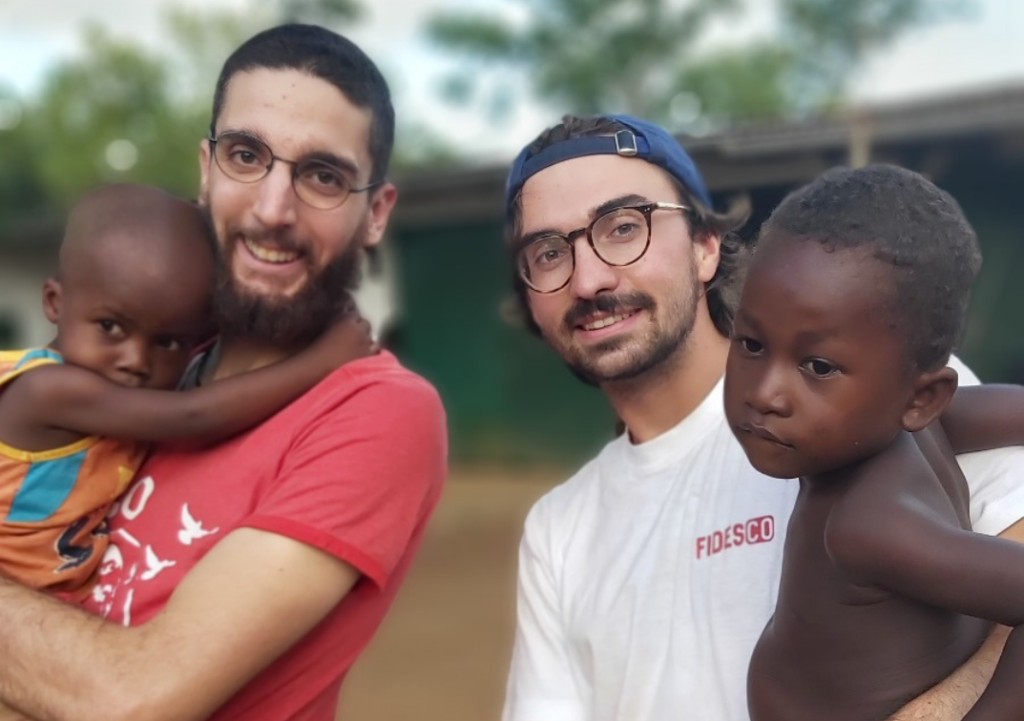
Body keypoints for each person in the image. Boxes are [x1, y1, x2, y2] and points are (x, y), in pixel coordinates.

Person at [500, 113, 1024, 721]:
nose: (588, 279)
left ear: (705, 246)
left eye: (623, 227)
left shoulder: (880, 377)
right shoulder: (556, 531)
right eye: (547, 253)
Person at [0, 24, 447, 721]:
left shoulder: (375, 409)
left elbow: (129, 700)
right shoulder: (157, 368)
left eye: (322, 175)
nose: (273, 210)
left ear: (376, 212)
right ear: (206, 170)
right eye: (247, 155)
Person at [724, 164, 1024, 721]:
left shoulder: (866, 524)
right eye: (751, 343)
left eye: (817, 365)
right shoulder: (902, 424)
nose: (765, 394)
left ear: (921, 396)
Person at [0, 182, 371, 595]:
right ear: (54, 302)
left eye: (167, 342)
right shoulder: (50, 390)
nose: (136, 361)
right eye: (110, 327)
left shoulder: (103, 381)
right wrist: (323, 361)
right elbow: (196, 415)